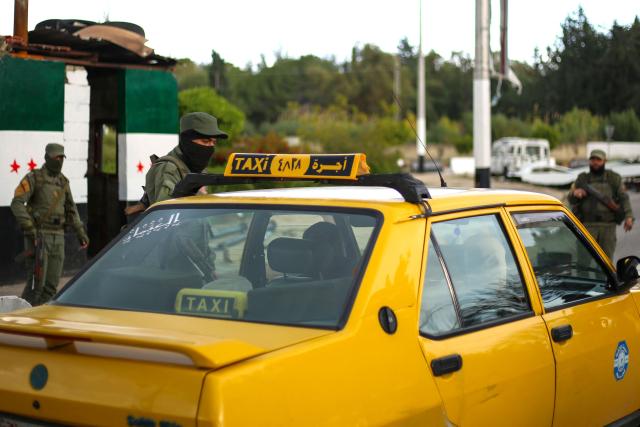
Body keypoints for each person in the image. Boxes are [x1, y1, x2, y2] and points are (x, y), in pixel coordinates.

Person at [10, 143, 89, 305]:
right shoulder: (34, 178)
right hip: (39, 236)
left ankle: (38, 318)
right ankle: (22, 316)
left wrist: (81, 233)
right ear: (47, 158)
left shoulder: (63, 182)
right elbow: (17, 203)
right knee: (36, 285)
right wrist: (30, 228)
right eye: (56, 157)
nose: (59, 160)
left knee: (51, 286)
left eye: (62, 157)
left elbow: (72, 210)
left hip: (58, 236)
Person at [144, 112, 228, 205]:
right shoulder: (169, 168)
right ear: (187, 140)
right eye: (205, 141)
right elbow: (167, 211)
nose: (210, 147)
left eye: (214, 142)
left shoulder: (196, 166)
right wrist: (198, 195)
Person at [568, 149, 634, 259]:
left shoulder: (613, 178)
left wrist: (629, 216)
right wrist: (575, 193)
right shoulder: (582, 178)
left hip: (607, 227)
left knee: (606, 261)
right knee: (584, 261)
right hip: (587, 226)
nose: (595, 162)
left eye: (598, 159)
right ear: (589, 161)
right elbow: (570, 198)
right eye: (593, 159)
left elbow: (624, 198)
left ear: (604, 161)